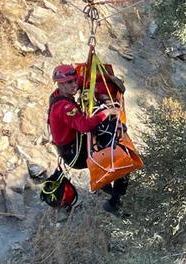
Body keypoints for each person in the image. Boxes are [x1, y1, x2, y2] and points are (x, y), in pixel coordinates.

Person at [47, 64, 128, 214]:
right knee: (118, 154)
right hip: (74, 154)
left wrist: (106, 78)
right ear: (60, 84)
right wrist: (108, 111)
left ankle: (110, 190)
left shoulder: (59, 94)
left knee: (106, 138)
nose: (74, 85)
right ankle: (114, 201)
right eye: (69, 82)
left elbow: (83, 79)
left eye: (74, 80)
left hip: (74, 145)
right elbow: (84, 126)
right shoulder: (64, 107)